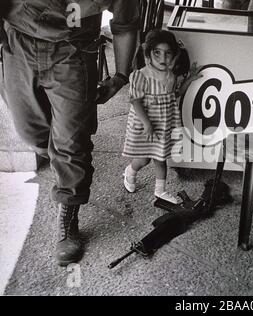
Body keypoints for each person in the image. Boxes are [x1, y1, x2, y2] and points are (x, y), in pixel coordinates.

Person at [0, 0, 140, 266]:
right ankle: (66, 150)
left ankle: (69, 208)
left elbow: (125, 23)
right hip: (18, 42)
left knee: (72, 143)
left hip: (74, 50)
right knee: (30, 132)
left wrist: (121, 76)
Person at [122, 30, 201, 204]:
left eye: (167, 53)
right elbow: (135, 102)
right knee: (143, 159)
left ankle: (160, 191)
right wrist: (147, 123)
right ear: (148, 53)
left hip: (164, 123)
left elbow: (176, 94)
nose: (162, 58)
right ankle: (130, 171)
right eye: (157, 52)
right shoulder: (141, 75)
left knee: (160, 158)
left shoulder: (170, 75)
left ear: (173, 55)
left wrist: (190, 79)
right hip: (145, 124)